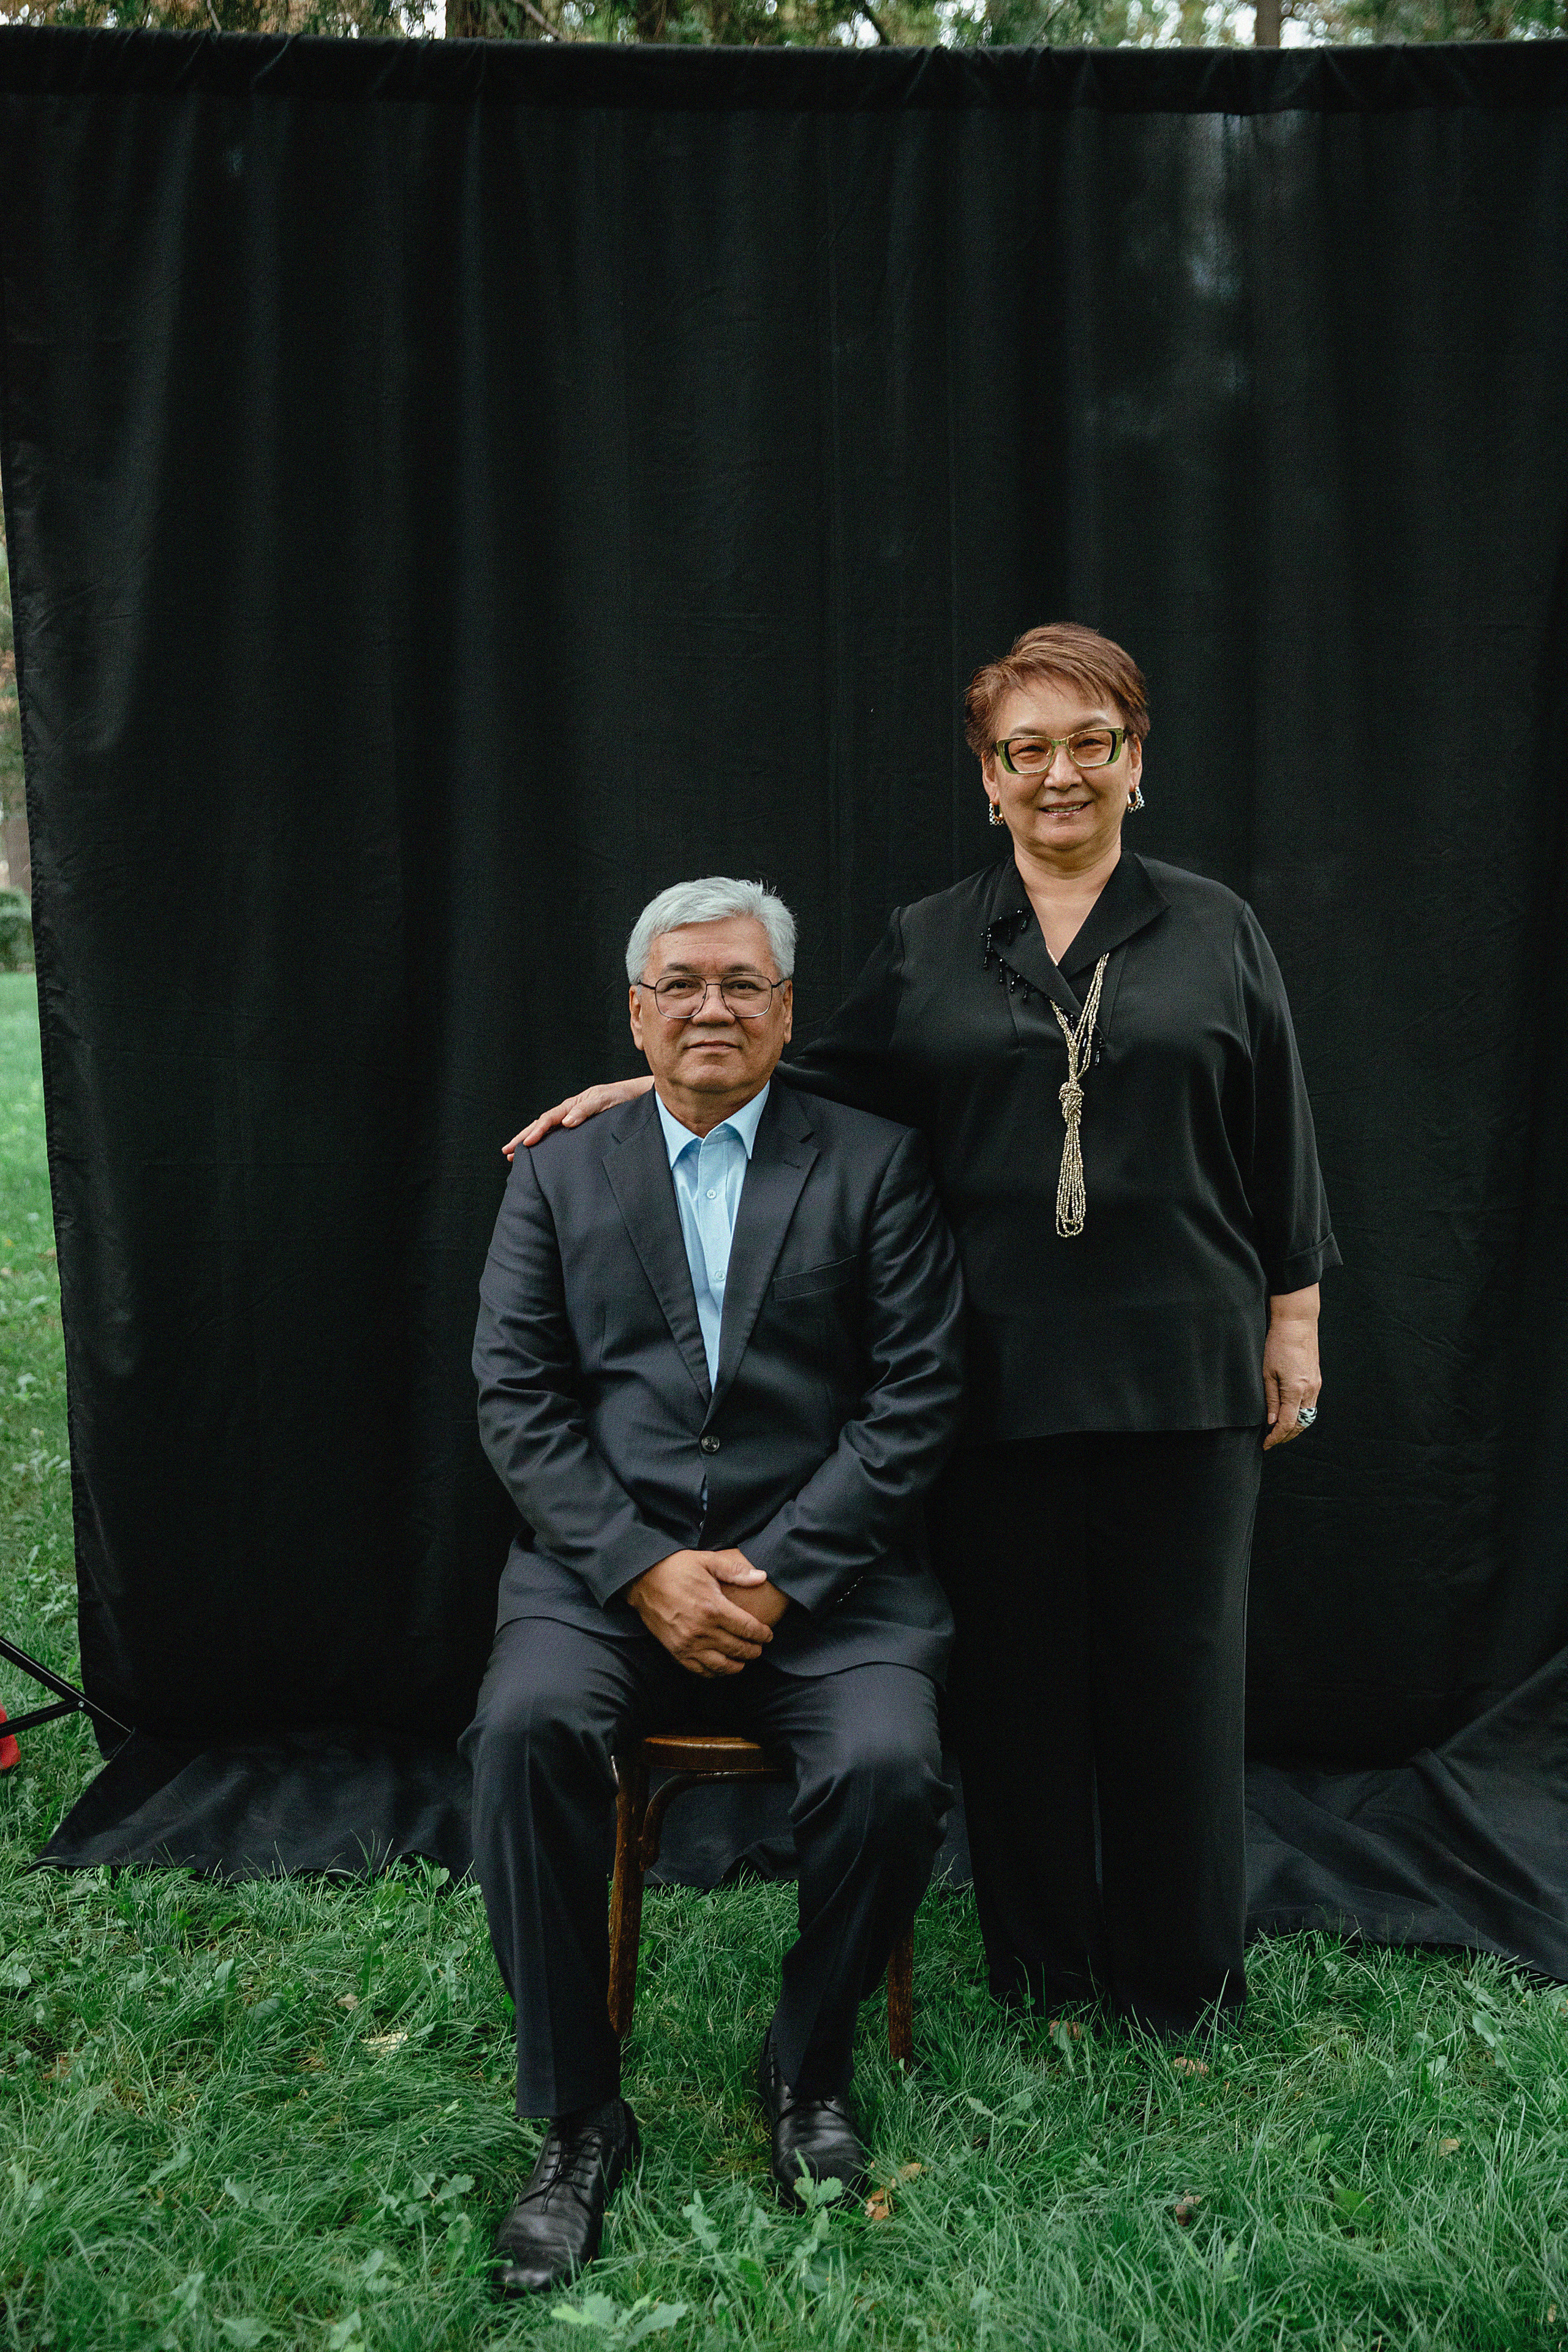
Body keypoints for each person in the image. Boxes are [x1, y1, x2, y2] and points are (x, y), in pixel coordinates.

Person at [509, 624, 1340, 2045]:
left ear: (1135, 763)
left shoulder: (1214, 926)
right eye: (1026, 751)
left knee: (1177, 1691)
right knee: (1017, 1695)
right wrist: (634, 1088)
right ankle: (1042, 1968)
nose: (1058, 775)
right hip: (993, 1375)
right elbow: (803, 1075)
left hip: (1182, 1368)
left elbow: (1280, 1132)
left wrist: (1294, 1319)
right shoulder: (932, 938)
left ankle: (1181, 1981)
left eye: (1090, 745)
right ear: (988, 777)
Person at [465, 875, 965, 2297]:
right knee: (523, 1733)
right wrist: (637, 1569)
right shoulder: (559, 1174)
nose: (709, 1006)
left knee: (886, 1766)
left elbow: (918, 1401)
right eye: (679, 983)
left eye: (741, 984)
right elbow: (514, 1397)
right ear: (636, 1011)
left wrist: (781, 1570)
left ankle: (806, 2067)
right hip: (599, 1575)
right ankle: (576, 2120)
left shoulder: (872, 1163)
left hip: (830, 1580)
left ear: (786, 1009)